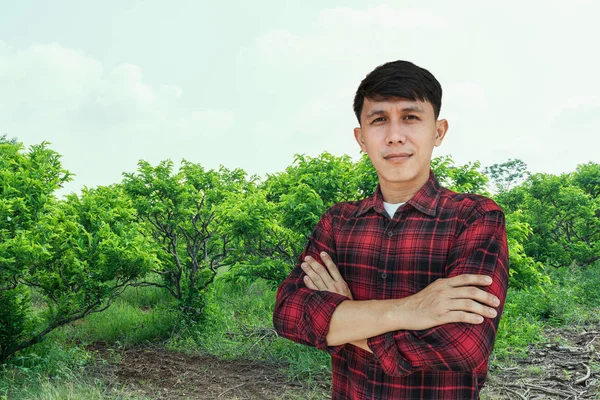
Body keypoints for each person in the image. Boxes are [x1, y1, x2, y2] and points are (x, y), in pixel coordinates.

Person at [272, 60, 509, 399]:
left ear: (438, 131)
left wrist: (346, 317)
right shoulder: (339, 222)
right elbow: (289, 313)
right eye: (379, 120)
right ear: (361, 138)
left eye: (410, 117)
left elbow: (463, 346)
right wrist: (410, 309)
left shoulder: (474, 217)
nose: (395, 136)